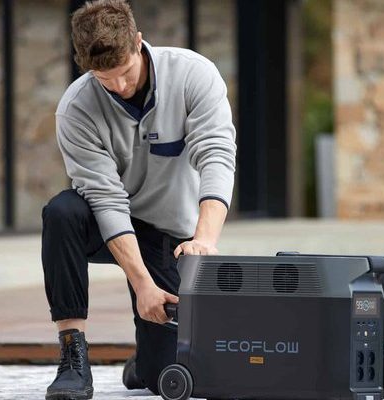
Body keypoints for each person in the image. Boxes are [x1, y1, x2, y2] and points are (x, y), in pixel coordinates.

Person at [41, 0, 237, 398]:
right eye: (104, 79)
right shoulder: (76, 109)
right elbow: (106, 199)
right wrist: (142, 283)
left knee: (166, 374)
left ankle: (144, 361)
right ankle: (73, 357)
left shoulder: (194, 74)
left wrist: (204, 239)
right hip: (107, 224)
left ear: (138, 42)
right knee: (62, 212)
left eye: (125, 73)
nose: (119, 86)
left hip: (167, 232)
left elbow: (216, 155)